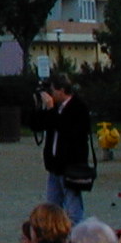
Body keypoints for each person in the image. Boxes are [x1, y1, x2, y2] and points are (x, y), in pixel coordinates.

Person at [37, 75, 92, 223]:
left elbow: (65, 129)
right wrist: (41, 107)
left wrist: (50, 109)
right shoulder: (55, 108)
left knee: (73, 208)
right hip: (54, 166)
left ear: (62, 90)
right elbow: (39, 125)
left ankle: (76, 238)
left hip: (71, 165)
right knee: (52, 208)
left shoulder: (78, 107)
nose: (51, 94)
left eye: (53, 90)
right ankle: (55, 236)